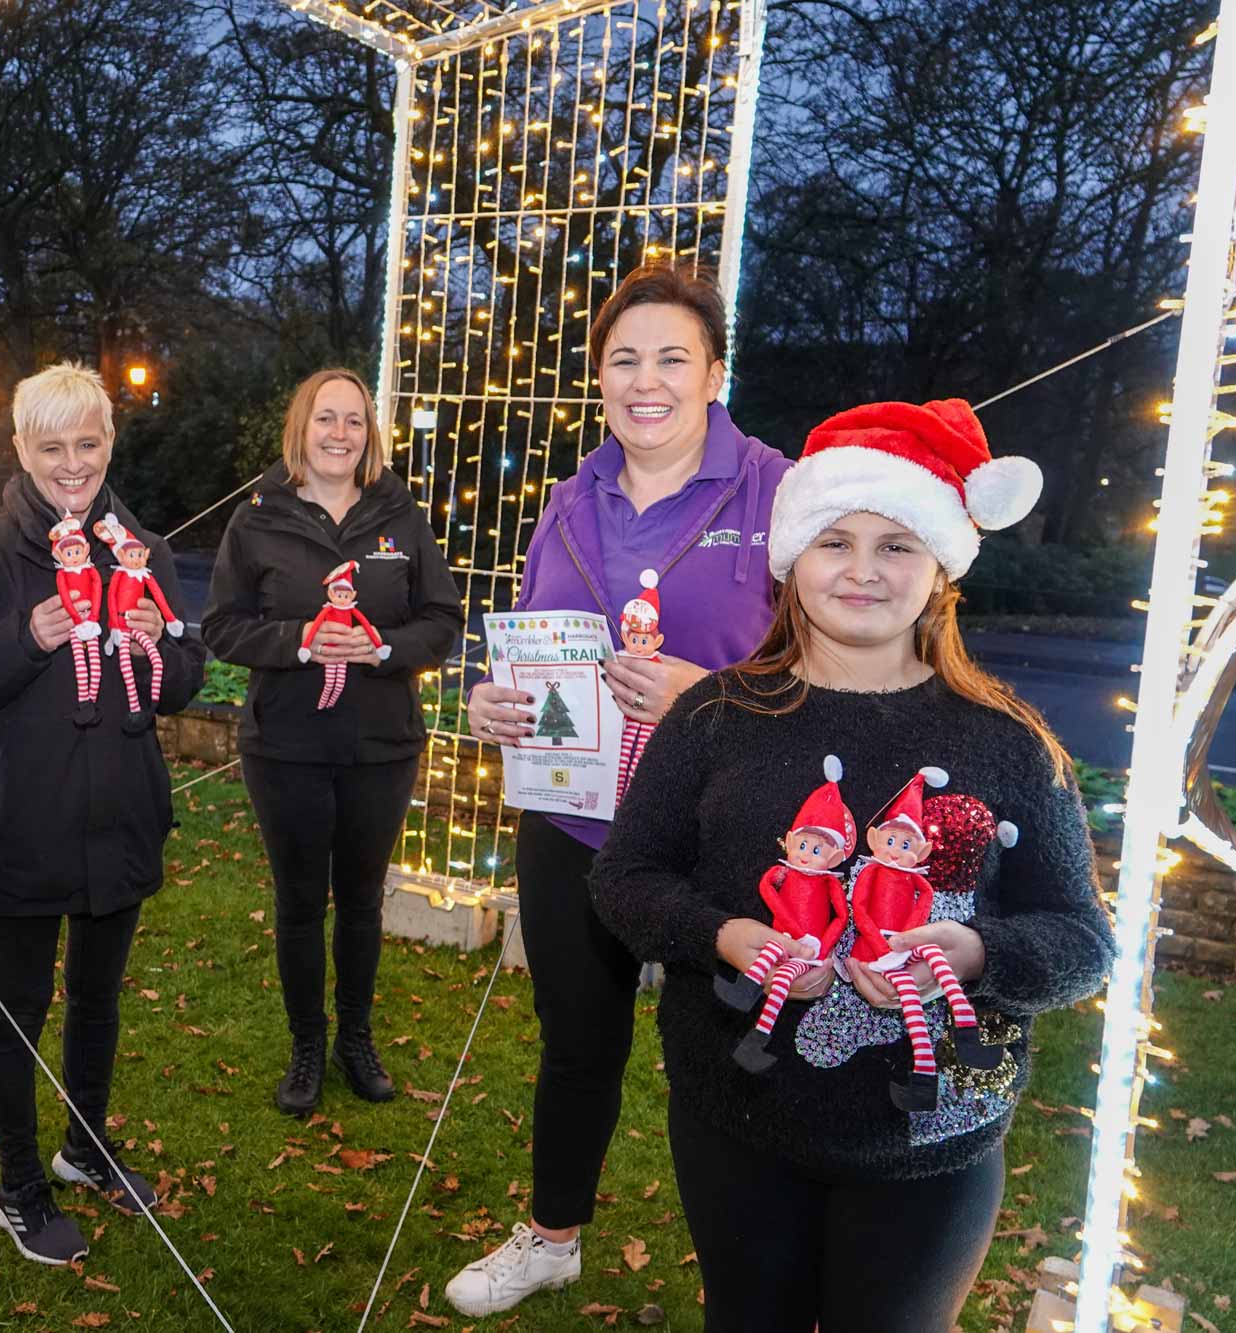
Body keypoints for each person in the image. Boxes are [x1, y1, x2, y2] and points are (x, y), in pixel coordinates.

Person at [589, 398, 1117, 1332]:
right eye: (835, 541)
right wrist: (724, 934)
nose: (864, 570)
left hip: (934, 1146)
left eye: (897, 544)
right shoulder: (716, 717)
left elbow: (1082, 938)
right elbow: (625, 877)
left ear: (942, 569)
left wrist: (976, 953)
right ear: (794, 563)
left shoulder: (1009, 744)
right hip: (739, 1119)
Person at [448, 265, 789, 1316]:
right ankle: (552, 1234)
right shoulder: (568, 496)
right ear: (598, 379)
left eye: (671, 358)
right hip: (571, 822)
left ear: (714, 374)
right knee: (576, 1041)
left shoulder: (776, 490)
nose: (646, 380)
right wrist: (486, 700)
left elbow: (838, 659)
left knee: (729, 1056)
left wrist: (714, 694)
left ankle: (761, 1276)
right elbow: (523, 633)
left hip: (715, 833)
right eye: (624, 360)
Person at [0, 362, 205, 1267]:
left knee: (98, 999)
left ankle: (83, 1147)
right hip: (23, 827)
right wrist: (27, 635)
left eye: (88, 444)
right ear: (20, 451)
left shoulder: (143, 552)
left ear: (110, 443)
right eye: (52, 448)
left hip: (120, 818)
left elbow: (188, 682)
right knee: (20, 1009)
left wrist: (164, 645)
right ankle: (18, 1186)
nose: (73, 465)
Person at [202, 369, 462, 1116]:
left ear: (369, 433)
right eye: (327, 419)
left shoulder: (400, 514)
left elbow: (441, 619)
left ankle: (355, 1038)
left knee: (359, 901)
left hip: (381, 743)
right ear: (301, 429)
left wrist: (381, 649)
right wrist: (304, 643)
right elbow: (222, 626)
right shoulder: (257, 517)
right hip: (285, 745)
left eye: (354, 421)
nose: (340, 434)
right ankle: (306, 1045)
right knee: (297, 901)